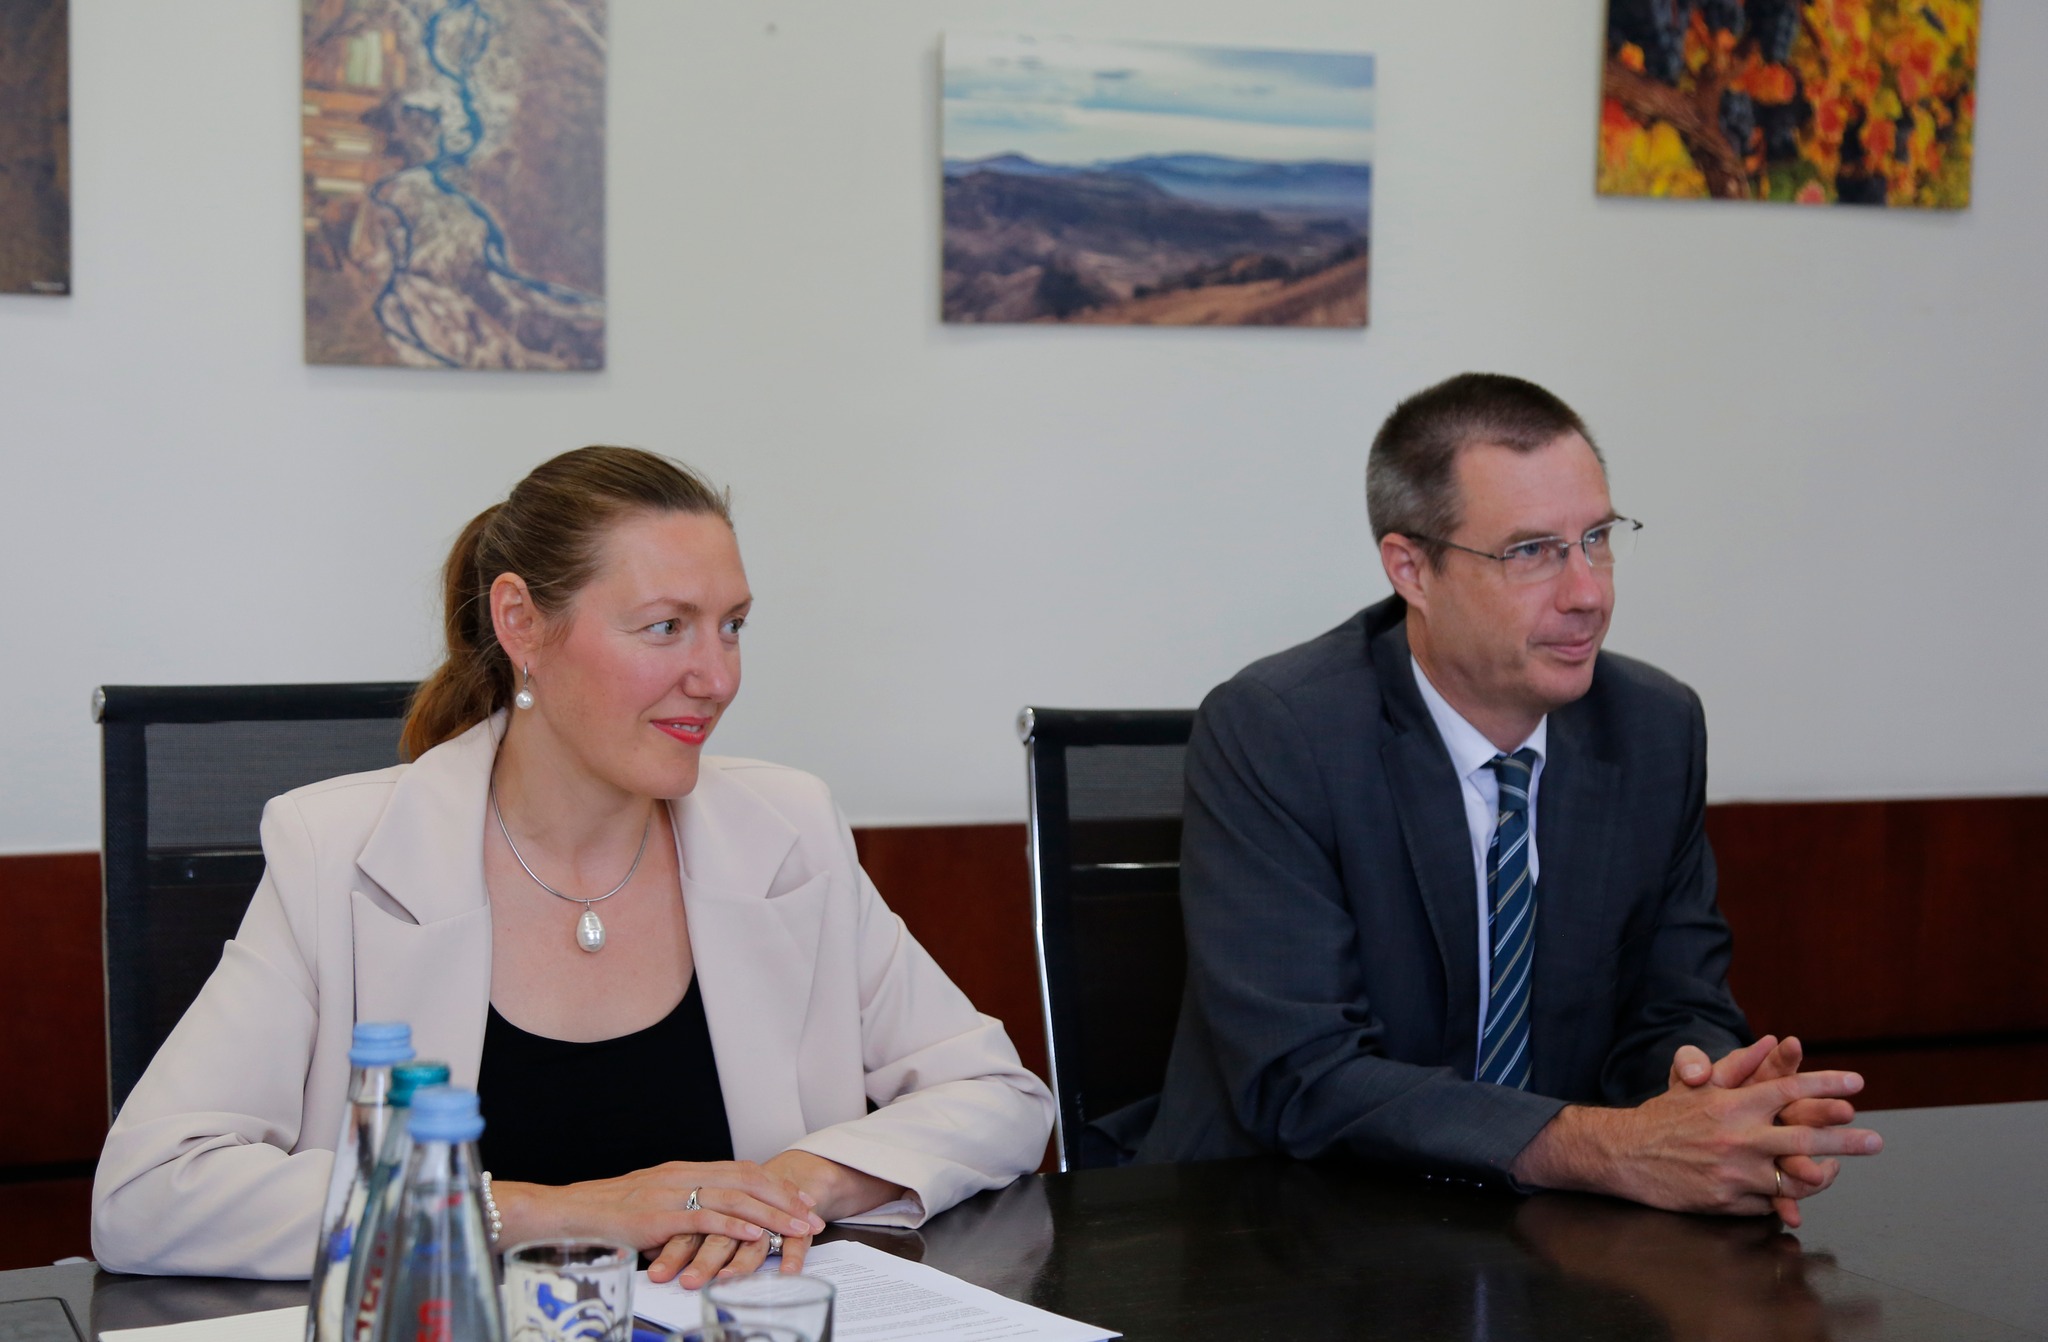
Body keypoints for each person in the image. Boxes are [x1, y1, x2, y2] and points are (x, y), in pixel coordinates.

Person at [93, 447, 1054, 1280]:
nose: (717, 676)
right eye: (665, 626)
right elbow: (148, 1195)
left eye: (732, 625)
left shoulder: (785, 830)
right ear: (520, 622)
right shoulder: (335, 852)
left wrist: (793, 1184)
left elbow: (998, 1098)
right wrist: (565, 1212)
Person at [1135, 374, 1880, 1222]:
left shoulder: (1654, 726)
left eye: (1596, 538)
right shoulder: (1280, 731)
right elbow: (1300, 1074)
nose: (1588, 593)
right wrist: (1605, 1147)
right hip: (1284, 1225)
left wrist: (1715, 1100)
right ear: (1412, 570)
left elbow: (1676, 1004)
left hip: (1549, 1229)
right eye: (1531, 552)